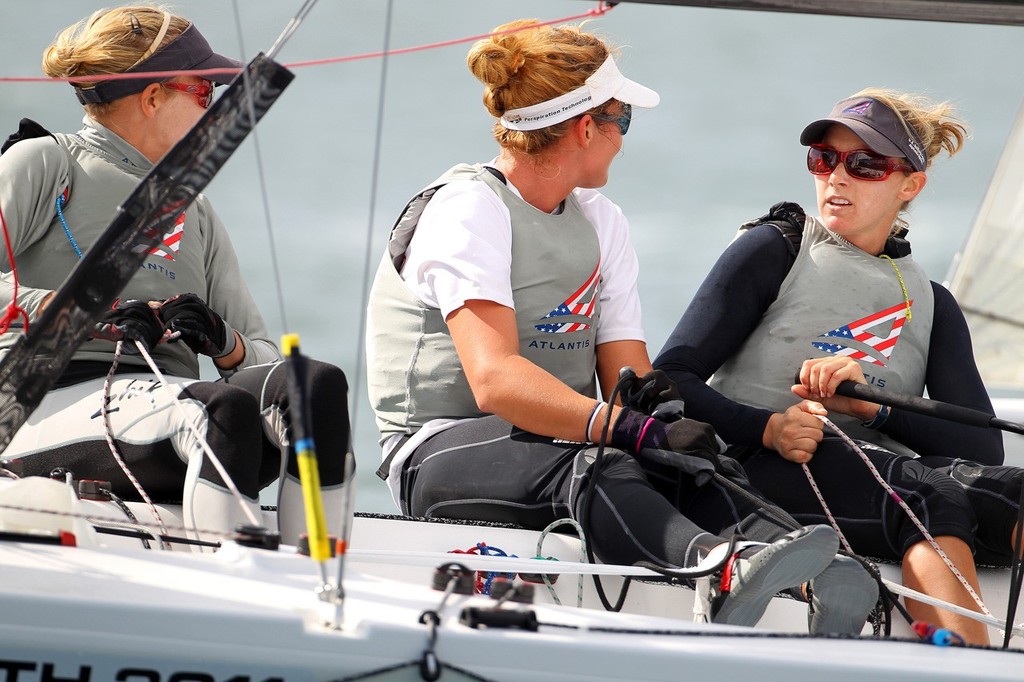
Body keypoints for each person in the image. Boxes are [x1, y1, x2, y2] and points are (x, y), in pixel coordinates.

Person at [365, 19, 877, 633]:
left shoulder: (601, 221)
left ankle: (822, 573)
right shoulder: (468, 209)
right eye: (622, 123)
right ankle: (716, 572)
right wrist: (628, 430)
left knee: (692, 462)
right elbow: (495, 382)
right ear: (587, 127)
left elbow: (630, 382)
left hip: (558, 438)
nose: (624, 142)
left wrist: (667, 426)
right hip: (438, 450)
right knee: (603, 465)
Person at [654, 88, 1023, 645]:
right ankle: (970, 665)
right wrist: (769, 427)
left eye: (865, 164)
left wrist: (873, 411)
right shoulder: (775, 249)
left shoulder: (933, 302)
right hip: (753, 472)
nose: (837, 177)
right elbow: (667, 380)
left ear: (910, 186)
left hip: (877, 477)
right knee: (925, 496)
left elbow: (980, 448)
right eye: (824, 158)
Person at [0, 5, 351, 547]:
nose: (212, 107)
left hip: (167, 402)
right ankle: (230, 586)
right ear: (154, 95)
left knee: (315, 386)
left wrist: (223, 341)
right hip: (38, 402)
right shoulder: (45, 162)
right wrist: (82, 313)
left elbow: (259, 352)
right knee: (222, 409)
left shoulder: (197, 211)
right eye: (204, 91)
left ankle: (324, 574)